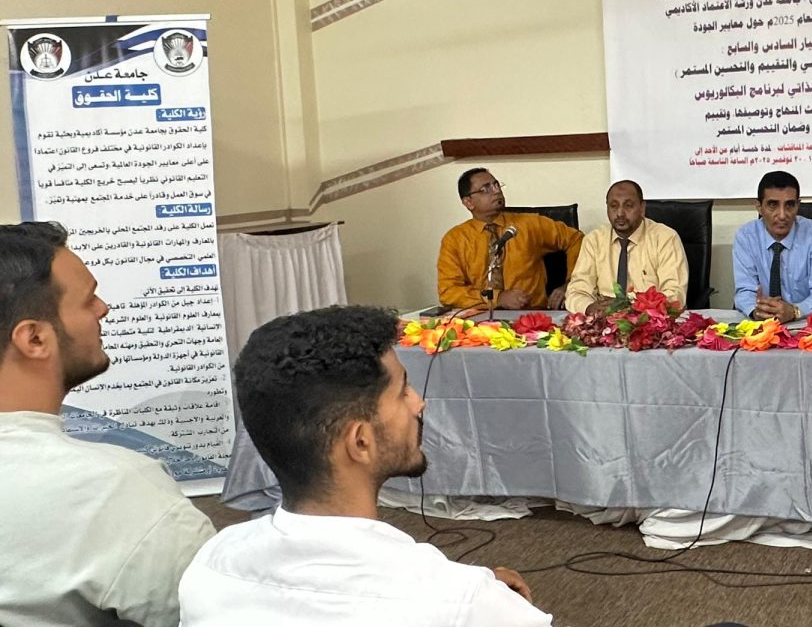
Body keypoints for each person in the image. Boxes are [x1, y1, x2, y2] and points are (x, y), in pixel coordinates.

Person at [178, 305, 552, 626]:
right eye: (403, 391)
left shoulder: (211, 565)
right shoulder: (467, 605)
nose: (418, 403)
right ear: (361, 442)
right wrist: (483, 599)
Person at [0, 222, 214, 627]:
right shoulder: (116, 489)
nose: (103, 309)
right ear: (34, 339)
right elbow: (216, 614)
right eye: (87, 300)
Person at [437, 168, 583, 310]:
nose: (497, 191)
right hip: (481, 318)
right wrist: (497, 298)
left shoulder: (529, 224)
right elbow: (448, 292)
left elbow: (577, 239)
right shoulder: (455, 239)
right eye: (486, 189)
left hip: (532, 313)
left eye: (496, 185)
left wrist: (571, 284)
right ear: (468, 202)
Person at [565, 180, 688, 314]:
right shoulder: (594, 240)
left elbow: (675, 295)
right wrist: (590, 308)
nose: (620, 213)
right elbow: (576, 291)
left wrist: (631, 308)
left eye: (628, 206)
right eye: (613, 206)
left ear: (642, 208)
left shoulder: (665, 238)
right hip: (603, 319)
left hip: (648, 320)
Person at [732, 170, 812, 320]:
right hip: (762, 323)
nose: (782, 215)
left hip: (803, 321)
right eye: (773, 205)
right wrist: (756, 311)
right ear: (759, 207)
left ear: (798, 205)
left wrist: (794, 311)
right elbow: (744, 291)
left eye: (789, 205)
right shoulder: (746, 237)